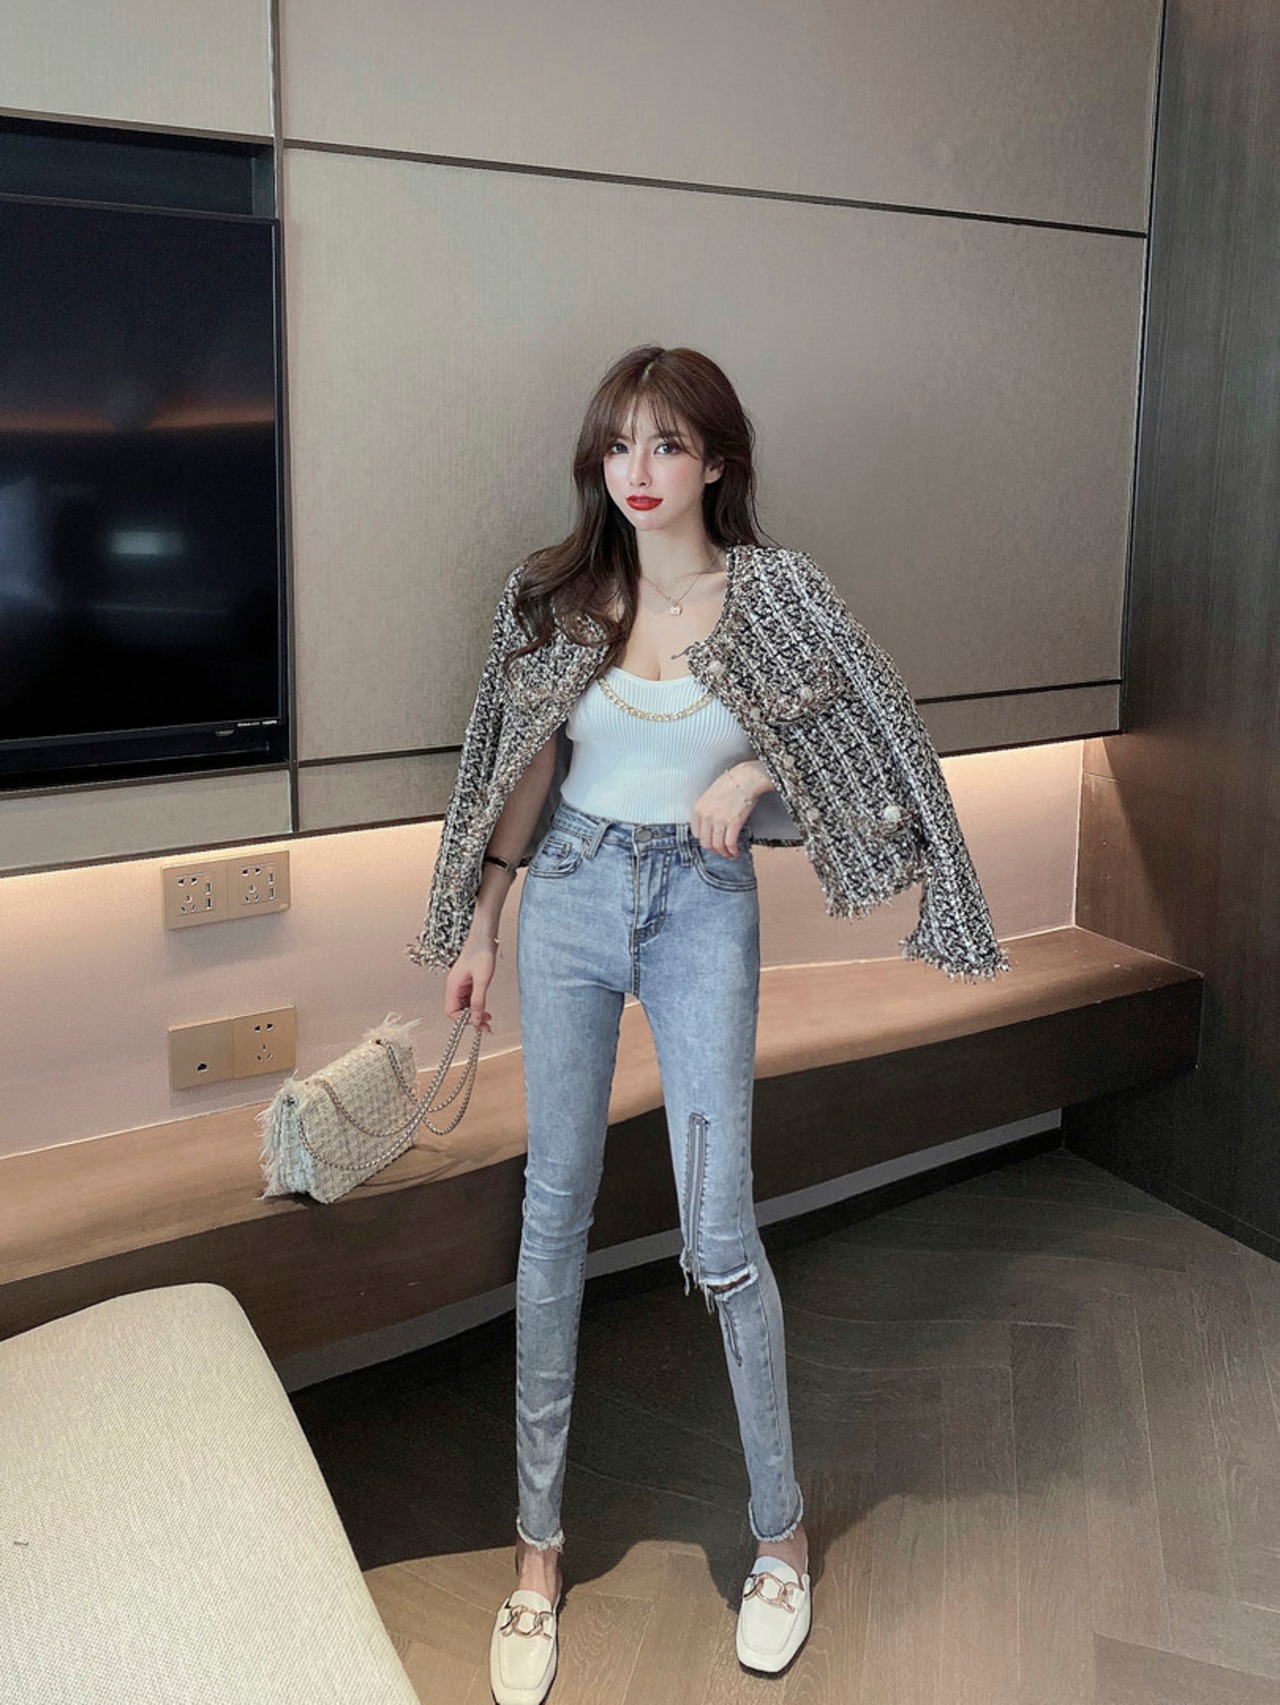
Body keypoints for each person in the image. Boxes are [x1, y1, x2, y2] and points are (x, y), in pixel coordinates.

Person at [419, 344, 1008, 1705]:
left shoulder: (779, 594)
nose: (638, 470)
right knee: (552, 1222)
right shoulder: (560, 593)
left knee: (722, 1234)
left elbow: (879, 748)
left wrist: (753, 776)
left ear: (717, 460)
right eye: (619, 443)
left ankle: (779, 1536)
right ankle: (536, 1555)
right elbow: (522, 768)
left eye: (668, 444)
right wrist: (484, 926)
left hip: (701, 906)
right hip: (569, 895)